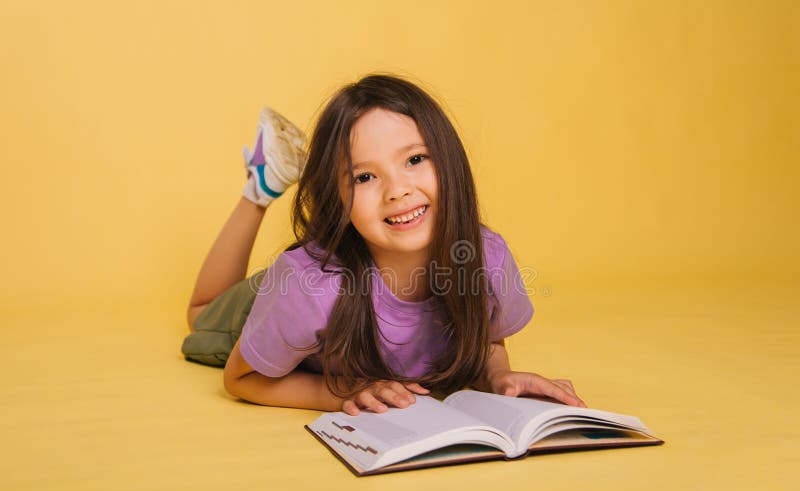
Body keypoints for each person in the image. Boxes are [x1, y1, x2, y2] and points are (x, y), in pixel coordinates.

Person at [184, 73, 587, 416]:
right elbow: (241, 378)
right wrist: (340, 393)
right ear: (337, 199)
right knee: (200, 312)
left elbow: (487, 338)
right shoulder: (307, 290)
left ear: (449, 160)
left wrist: (499, 377)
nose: (398, 191)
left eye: (415, 160)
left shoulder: (488, 258)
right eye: (364, 177)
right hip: (278, 299)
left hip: (300, 297)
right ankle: (262, 185)